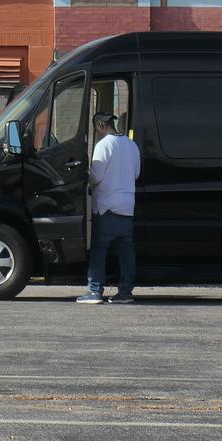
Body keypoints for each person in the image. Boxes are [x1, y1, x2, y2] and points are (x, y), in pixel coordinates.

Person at [77, 111, 141, 304]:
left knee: (99, 249)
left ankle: (95, 291)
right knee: (126, 251)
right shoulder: (131, 145)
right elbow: (136, 174)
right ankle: (125, 292)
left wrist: (85, 175)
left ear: (100, 126)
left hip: (107, 206)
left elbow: (96, 177)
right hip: (127, 206)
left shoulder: (104, 145)